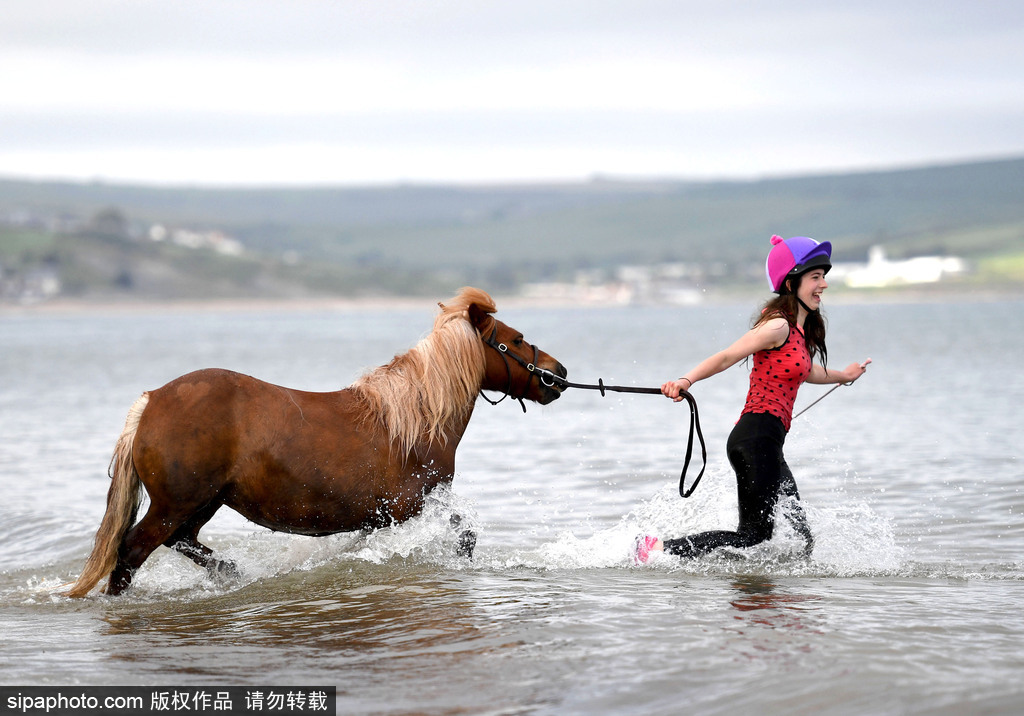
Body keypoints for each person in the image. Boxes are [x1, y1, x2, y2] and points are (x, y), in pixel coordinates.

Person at [635, 235, 869, 563]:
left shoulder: (798, 334)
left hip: (767, 443)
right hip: (755, 439)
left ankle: (775, 591)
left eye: (823, 277)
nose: (823, 285)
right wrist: (686, 380)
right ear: (792, 283)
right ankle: (655, 550)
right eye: (815, 277)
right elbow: (728, 356)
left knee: (800, 534)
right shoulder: (777, 327)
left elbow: (807, 371)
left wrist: (844, 375)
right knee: (753, 535)